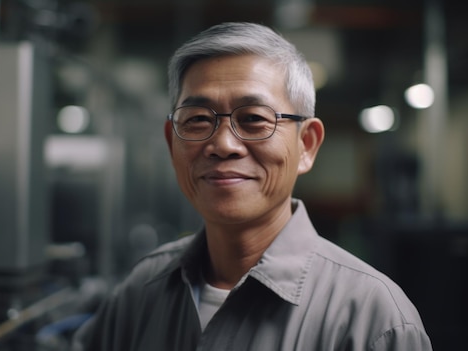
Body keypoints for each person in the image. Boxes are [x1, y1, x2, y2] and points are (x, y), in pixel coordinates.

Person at [72, 22, 432, 350]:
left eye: (254, 119)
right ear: (172, 142)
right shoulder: (144, 288)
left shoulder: (371, 319)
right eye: (197, 120)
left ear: (306, 145)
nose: (223, 145)